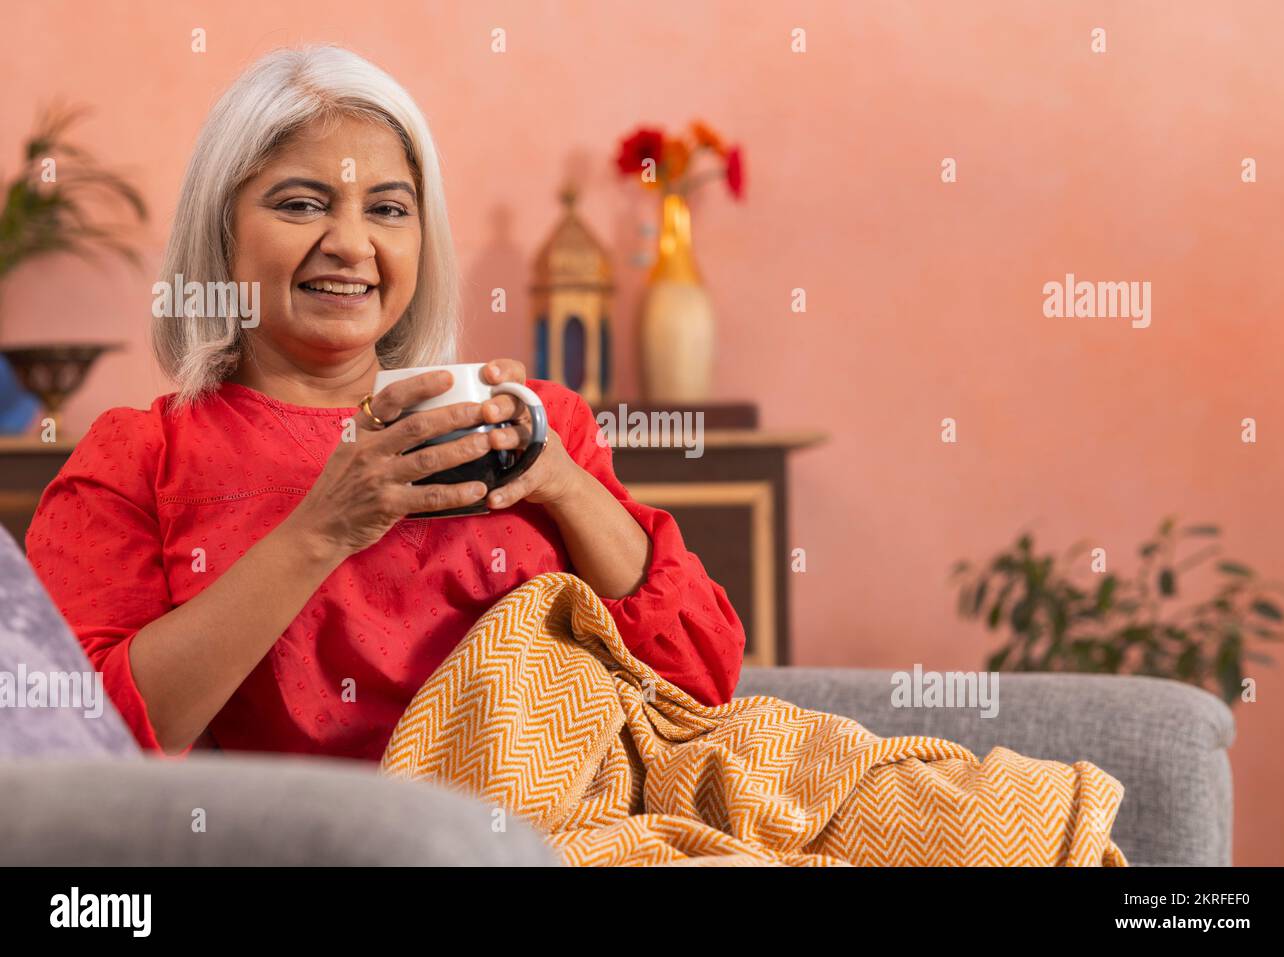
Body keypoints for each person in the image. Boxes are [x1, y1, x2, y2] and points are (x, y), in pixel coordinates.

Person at [25, 45, 745, 759]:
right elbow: (85, 740)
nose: (350, 243)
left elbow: (702, 677)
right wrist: (323, 529)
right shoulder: (143, 456)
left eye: (388, 208)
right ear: (222, 233)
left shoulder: (535, 420)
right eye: (302, 204)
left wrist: (561, 481)